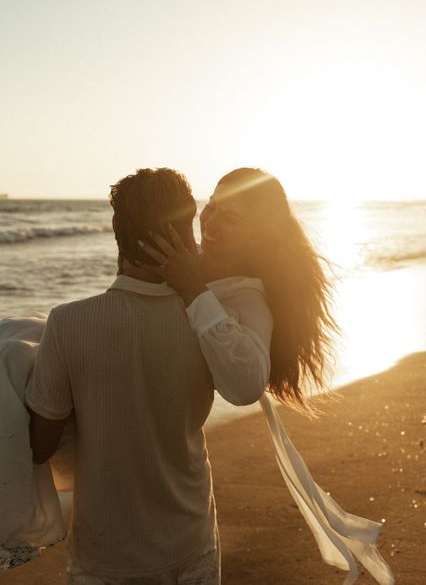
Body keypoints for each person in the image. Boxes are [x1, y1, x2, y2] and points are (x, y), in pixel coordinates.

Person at [137, 167, 394, 585]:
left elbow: (244, 386)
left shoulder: (247, 297)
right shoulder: (188, 260)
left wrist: (192, 290)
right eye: (211, 208)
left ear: (259, 235)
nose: (212, 223)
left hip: (173, 478)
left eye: (231, 218)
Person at [24, 167, 271, 585]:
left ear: (115, 227)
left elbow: (39, 445)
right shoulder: (209, 319)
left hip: (106, 557)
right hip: (189, 544)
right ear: (189, 223)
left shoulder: (66, 324)